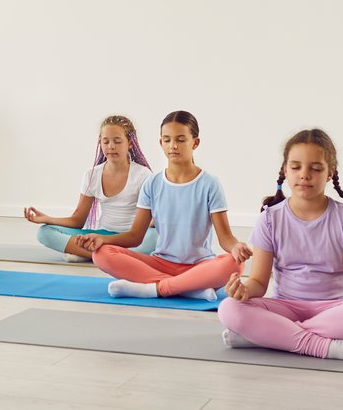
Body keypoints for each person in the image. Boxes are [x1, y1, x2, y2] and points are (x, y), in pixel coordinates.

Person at [217, 128, 343, 363]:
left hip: (334, 309)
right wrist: (243, 289)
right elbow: (259, 283)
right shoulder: (269, 219)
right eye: (296, 167)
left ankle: (271, 336)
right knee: (229, 308)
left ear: (330, 173)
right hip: (284, 306)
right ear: (285, 170)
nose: (304, 175)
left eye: (316, 168)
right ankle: (336, 349)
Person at [88, 110, 249, 300]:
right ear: (161, 143)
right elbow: (135, 237)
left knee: (235, 263)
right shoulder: (152, 183)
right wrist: (103, 240)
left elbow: (225, 238)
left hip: (200, 265)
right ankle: (189, 288)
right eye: (167, 140)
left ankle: (156, 288)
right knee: (101, 254)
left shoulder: (210, 184)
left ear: (195, 143)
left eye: (181, 140)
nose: (173, 146)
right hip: (161, 262)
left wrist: (236, 246)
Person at [22, 114, 159, 261]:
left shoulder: (143, 175)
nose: (111, 146)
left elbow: (151, 219)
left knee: (155, 238)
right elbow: (77, 220)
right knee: (44, 232)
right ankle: (108, 256)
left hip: (132, 238)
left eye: (117, 141)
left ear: (130, 143)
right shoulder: (92, 175)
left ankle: (90, 253)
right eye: (105, 142)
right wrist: (48, 219)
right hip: (102, 236)